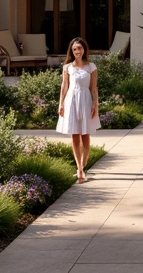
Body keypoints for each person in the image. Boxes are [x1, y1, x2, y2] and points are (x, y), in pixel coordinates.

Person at [56, 36, 100, 182]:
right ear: (71, 51)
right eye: (74, 49)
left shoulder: (91, 67)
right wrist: (61, 104)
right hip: (71, 100)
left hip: (86, 100)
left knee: (85, 135)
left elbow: (93, 87)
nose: (77, 51)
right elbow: (64, 86)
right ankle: (79, 168)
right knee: (75, 134)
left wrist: (96, 103)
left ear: (84, 49)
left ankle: (83, 163)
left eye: (79, 48)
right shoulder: (67, 67)